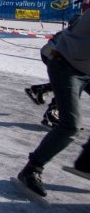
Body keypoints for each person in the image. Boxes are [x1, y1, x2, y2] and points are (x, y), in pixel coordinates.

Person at [17, 11, 90, 198]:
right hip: (64, 63)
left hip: (84, 66)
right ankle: (32, 169)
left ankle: (88, 161)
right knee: (70, 126)